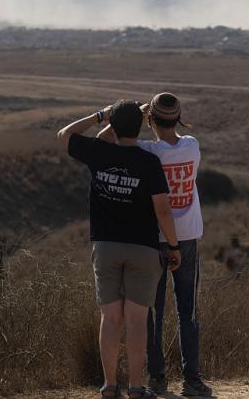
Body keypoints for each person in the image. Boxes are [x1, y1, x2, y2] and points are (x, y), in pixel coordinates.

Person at [57, 100, 182, 399]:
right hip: (143, 248)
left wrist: (101, 115)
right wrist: (174, 246)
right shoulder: (149, 162)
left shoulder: (99, 152)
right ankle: (136, 387)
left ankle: (110, 386)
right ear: (141, 126)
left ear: (112, 127)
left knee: (110, 319)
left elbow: (64, 135)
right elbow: (162, 211)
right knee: (137, 321)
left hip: (106, 247)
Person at [97, 93, 212, 397]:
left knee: (151, 312)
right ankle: (192, 379)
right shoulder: (192, 146)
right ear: (178, 119)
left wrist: (132, 113)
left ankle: (157, 377)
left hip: (152, 239)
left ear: (150, 121)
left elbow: (105, 140)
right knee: (188, 311)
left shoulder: (147, 151)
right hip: (187, 237)